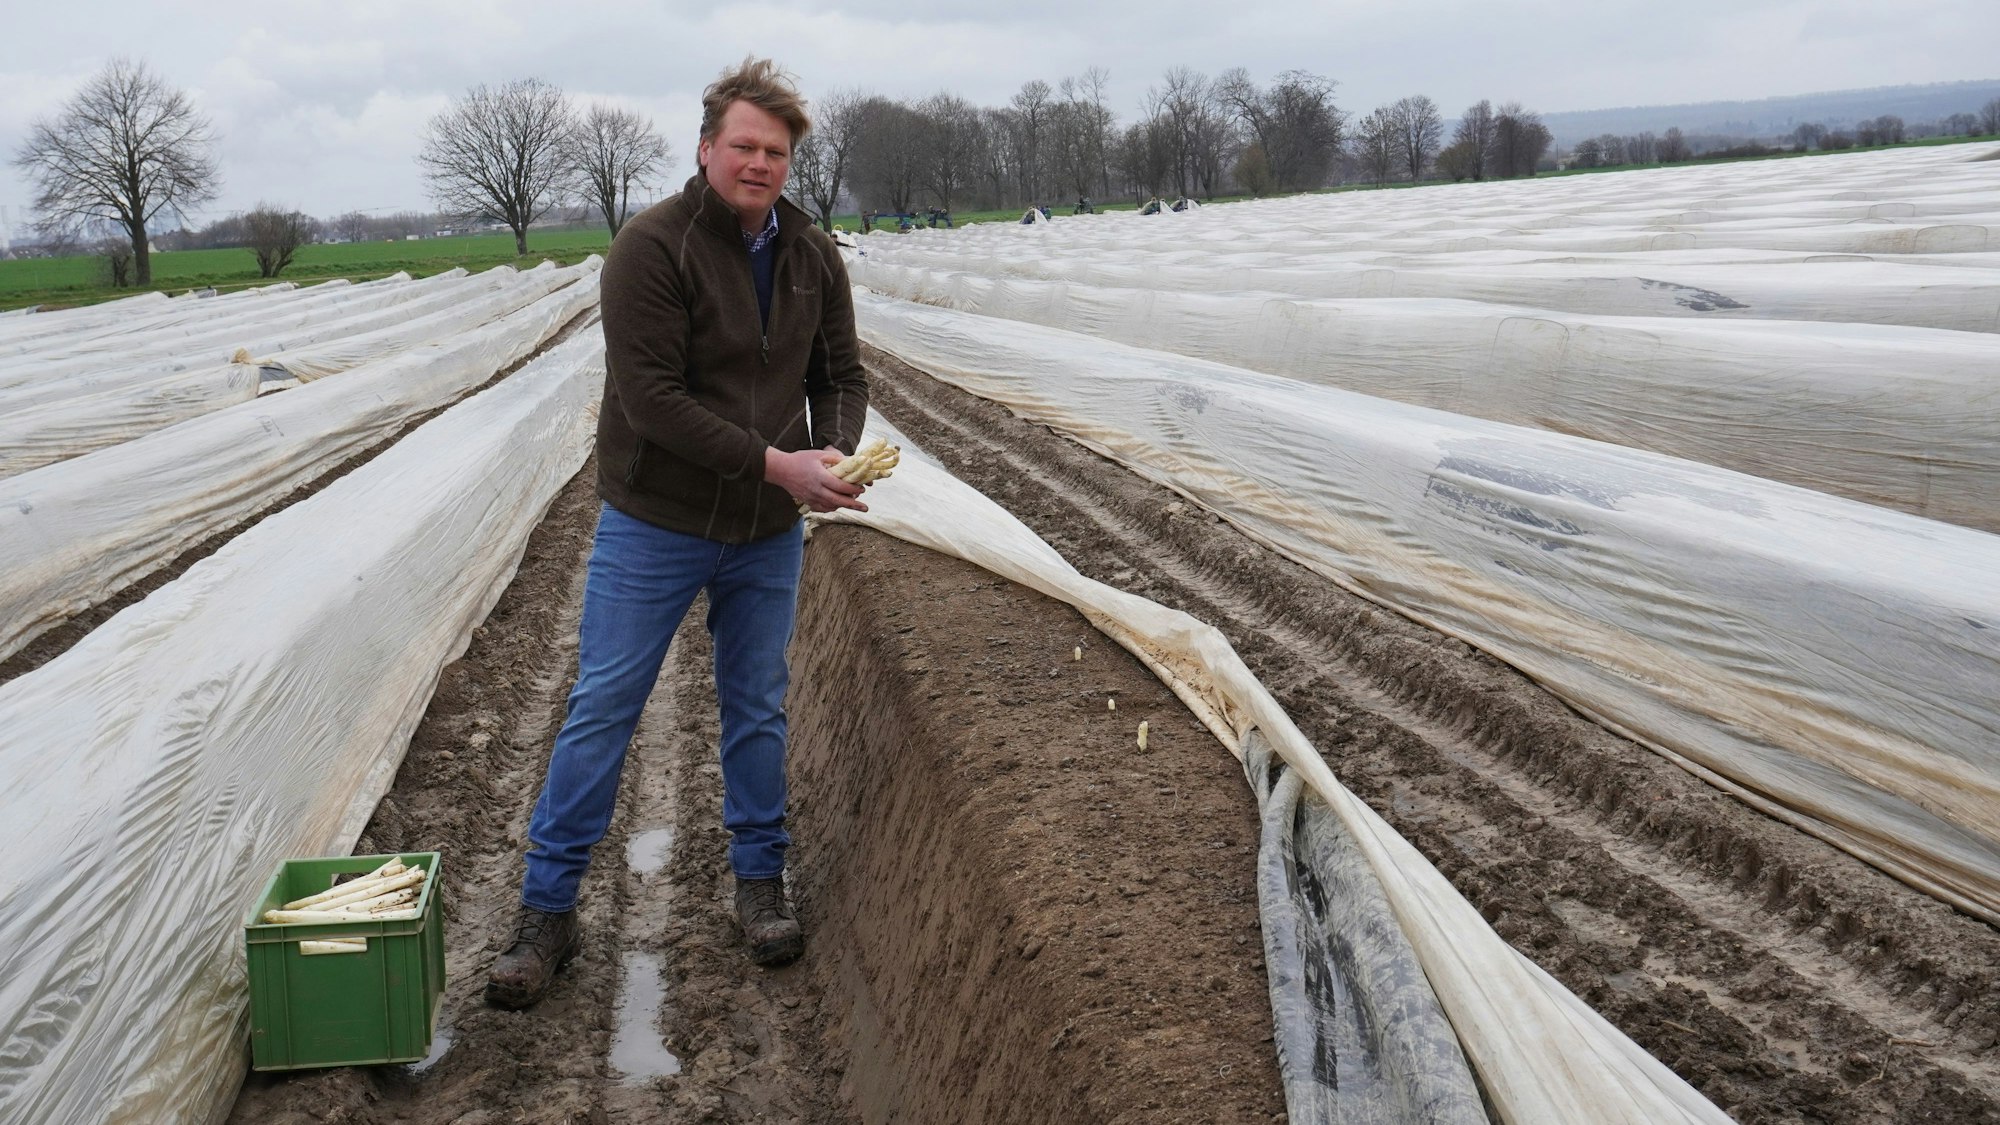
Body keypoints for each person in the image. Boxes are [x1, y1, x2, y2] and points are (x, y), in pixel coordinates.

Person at [485, 56, 870, 1010]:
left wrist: (836, 455)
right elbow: (652, 401)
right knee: (606, 702)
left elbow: (842, 374)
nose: (759, 163)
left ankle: (759, 884)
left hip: (766, 528)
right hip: (655, 519)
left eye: (775, 151)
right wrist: (780, 464)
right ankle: (547, 911)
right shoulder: (650, 250)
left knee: (758, 704)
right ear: (706, 149)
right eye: (743, 145)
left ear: (790, 163)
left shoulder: (813, 256)